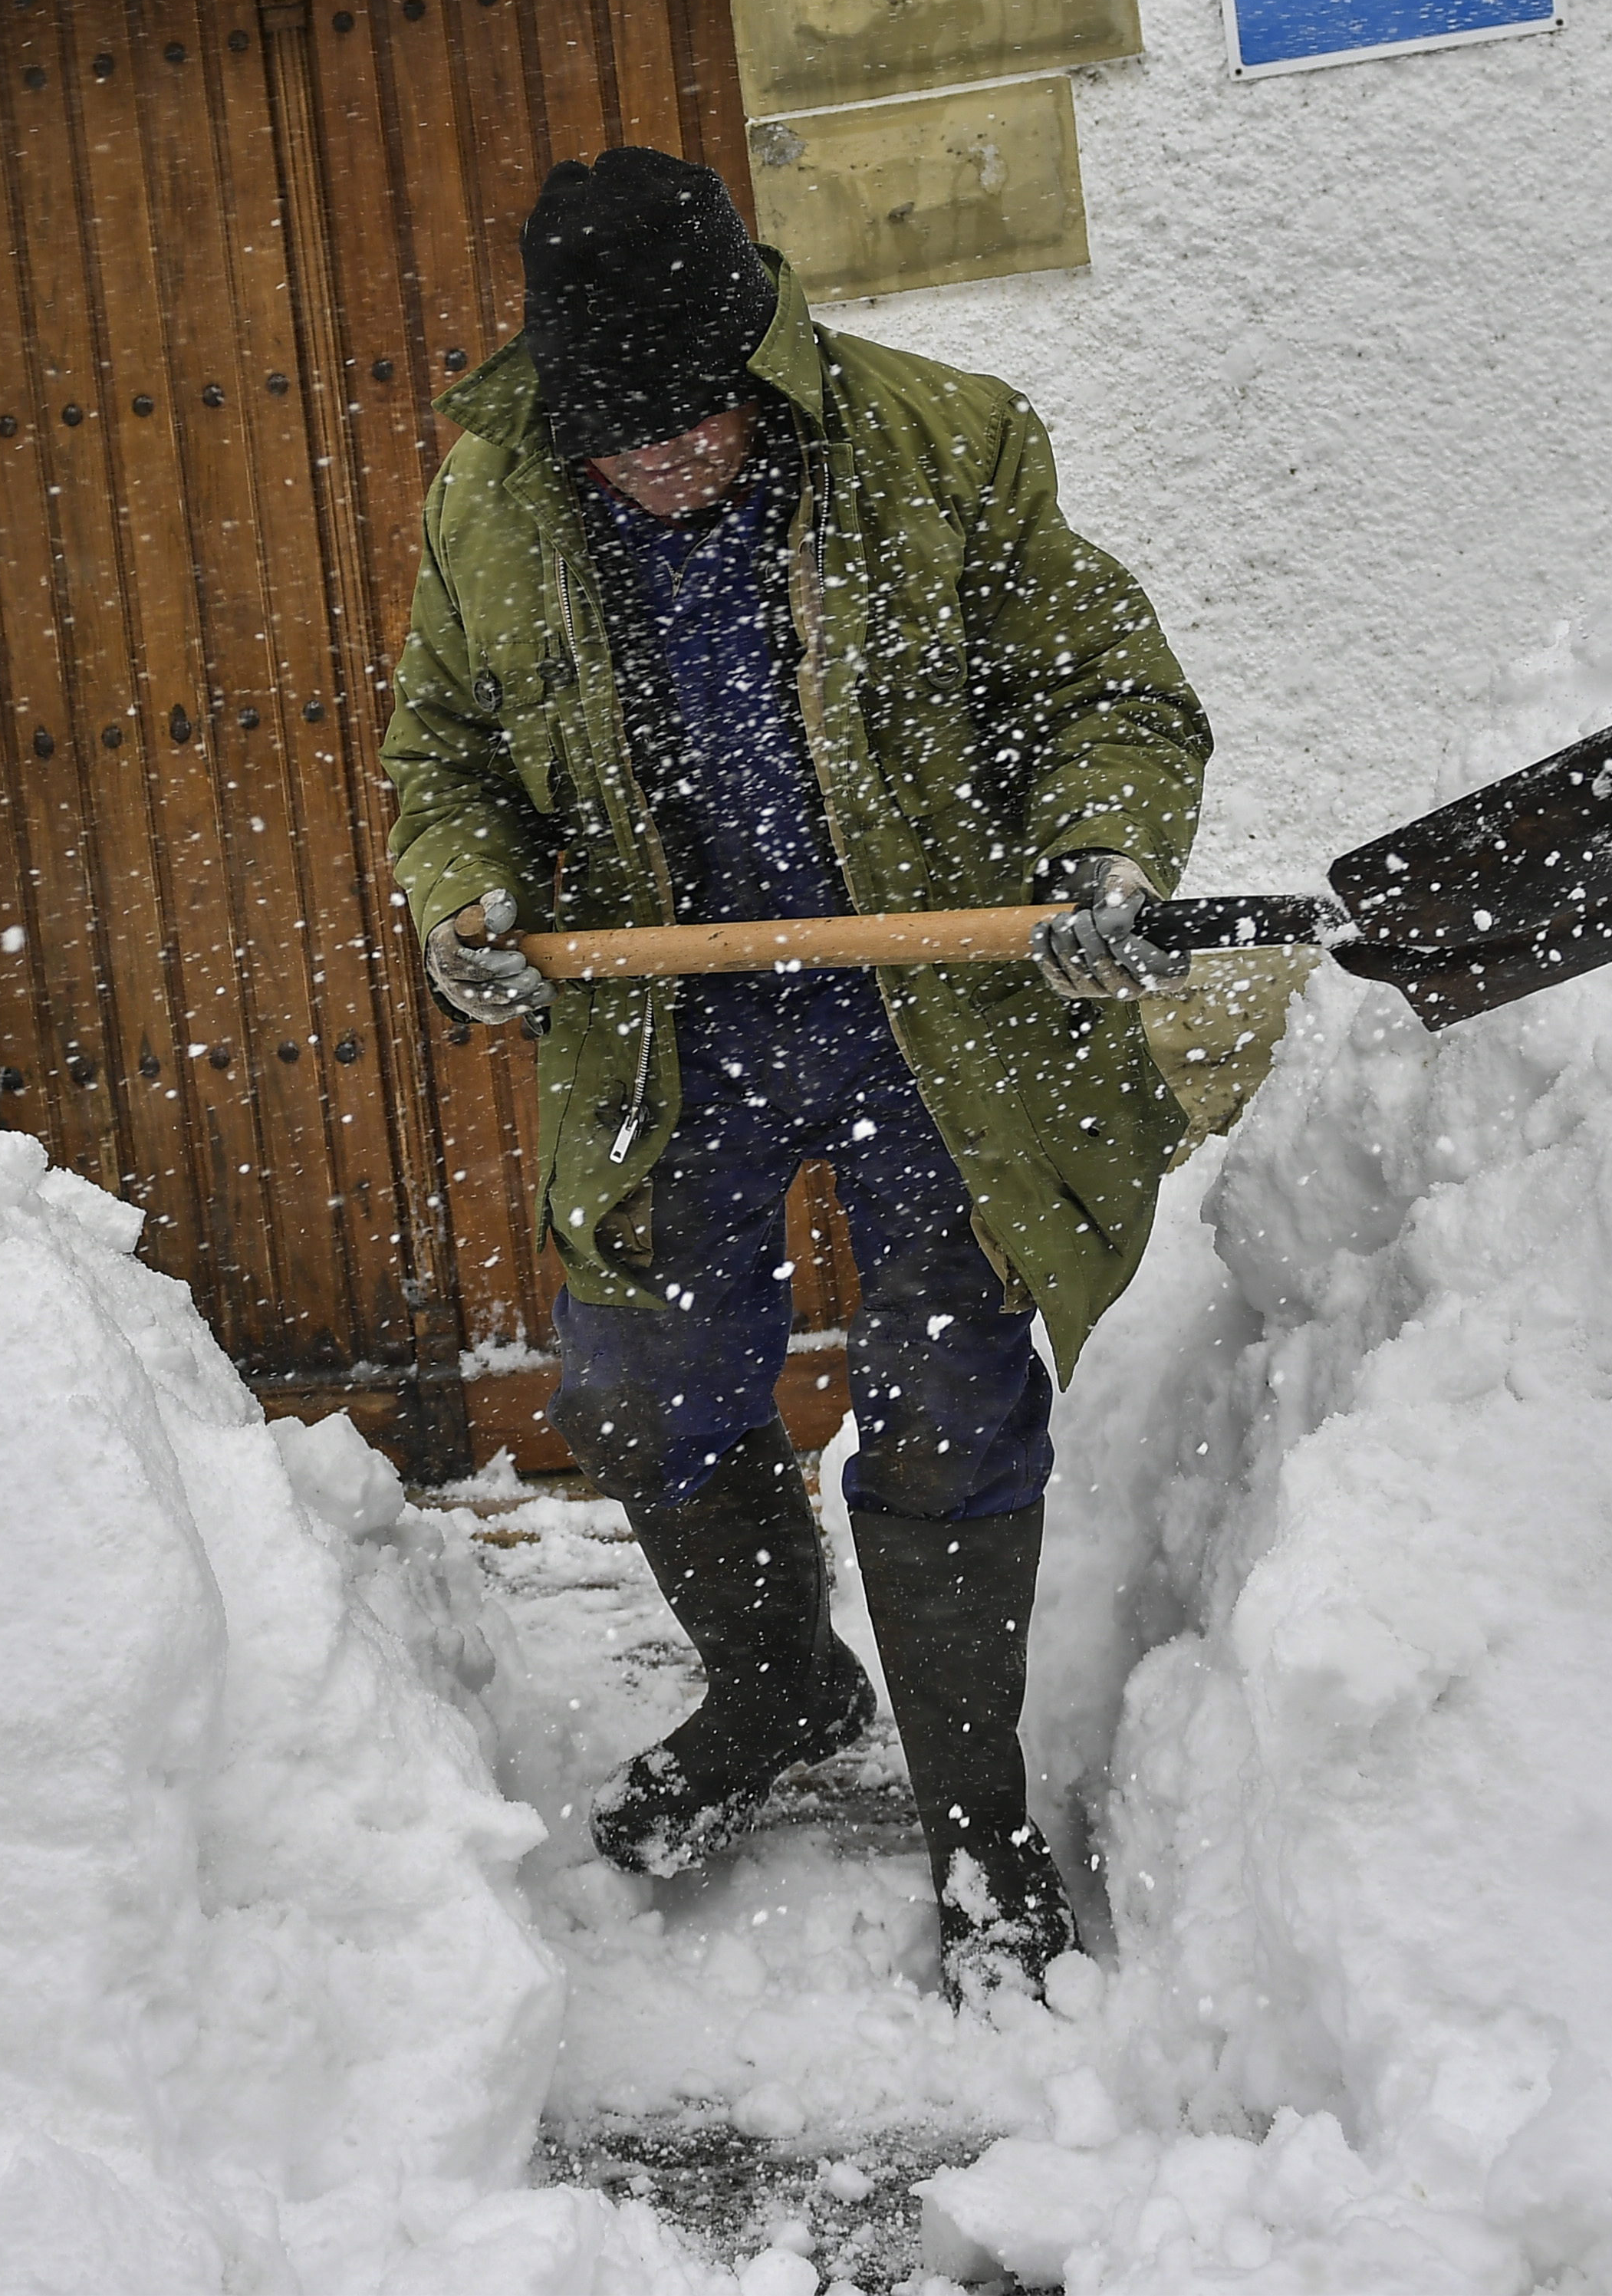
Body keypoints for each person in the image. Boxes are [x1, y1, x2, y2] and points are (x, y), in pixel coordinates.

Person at [380, 146, 1213, 2002]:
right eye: (622, 428)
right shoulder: (492, 511)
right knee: (636, 1387)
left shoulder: (945, 445)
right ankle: (778, 1690)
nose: (666, 455)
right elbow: (440, 758)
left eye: (696, 414)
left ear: (755, 356)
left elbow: (1108, 691)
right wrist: (468, 898)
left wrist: (1098, 859)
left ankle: (978, 1822)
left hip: (947, 1030)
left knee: (943, 1410)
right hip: (673, 1038)